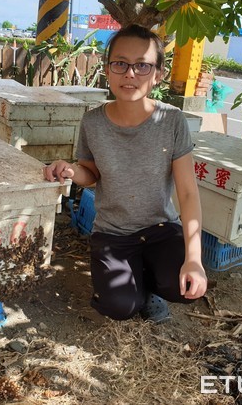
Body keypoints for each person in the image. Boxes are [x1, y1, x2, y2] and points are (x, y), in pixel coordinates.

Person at [43, 24, 207, 323]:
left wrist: (194, 260)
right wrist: (70, 171)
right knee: (119, 307)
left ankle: (152, 280)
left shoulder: (172, 121)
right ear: (108, 69)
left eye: (142, 65)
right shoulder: (93, 122)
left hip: (160, 228)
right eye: (120, 63)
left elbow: (187, 192)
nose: (130, 74)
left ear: (158, 74)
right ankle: (136, 288)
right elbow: (91, 174)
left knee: (183, 287)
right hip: (113, 232)